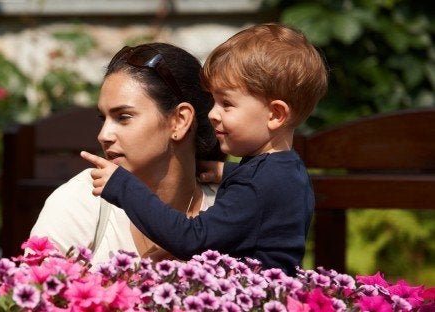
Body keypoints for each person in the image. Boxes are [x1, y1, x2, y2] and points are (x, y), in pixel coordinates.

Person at [81, 23, 328, 275]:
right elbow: (260, 192)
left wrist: (123, 187)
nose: (212, 113)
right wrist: (225, 172)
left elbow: (192, 239)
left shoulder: (257, 185)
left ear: (275, 114)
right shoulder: (287, 169)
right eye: (213, 101)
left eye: (226, 103)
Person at [30, 43, 225, 264]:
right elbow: (37, 291)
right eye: (103, 119)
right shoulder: (83, 200)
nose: (104, 135)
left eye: (123, 117)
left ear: (179, 121)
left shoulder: (231, 207)